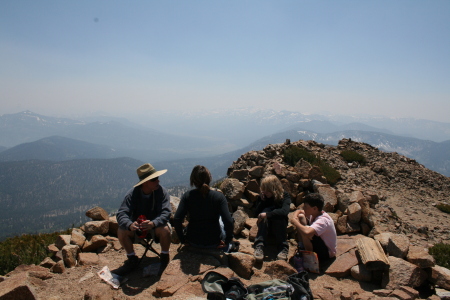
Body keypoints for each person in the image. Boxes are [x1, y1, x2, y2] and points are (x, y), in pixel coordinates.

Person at [114, 163, 172, 276]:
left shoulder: (161, 192)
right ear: (146, 182)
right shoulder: (132, 194)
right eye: (154, 179)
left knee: (165, 229)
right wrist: (130, 225)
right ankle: (132, 259)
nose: (158, 181)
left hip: (154, 228)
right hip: (138, 229)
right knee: (122, 231)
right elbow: (121, 214)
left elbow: (166, 212)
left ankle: (164, 257)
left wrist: (153, 223)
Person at [174, 165, 234, 250]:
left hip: (193, 241)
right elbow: (228, 221)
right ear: (209, 178)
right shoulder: (219, 197)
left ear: (193, 180)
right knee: (221, 221)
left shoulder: (187, 196)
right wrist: (227, 240)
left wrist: (183, 240)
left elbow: (177, 218)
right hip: (214, 242)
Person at [253, 175, 291, 262]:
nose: (264, 192)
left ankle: (283, 248)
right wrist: (262, 202)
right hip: (265, 226)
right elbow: (256, 214)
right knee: (264, 215)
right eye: (263, 189)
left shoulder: (285, 196)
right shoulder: (263, 197)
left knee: (279, 217)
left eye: (267, 190)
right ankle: (259, 246)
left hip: (278, 225)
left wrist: (267, 214)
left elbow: (284, 212)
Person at [290, 193, 337, 263]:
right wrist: (295, 217)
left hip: (326, 252)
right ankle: (302, 246)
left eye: (306, 207)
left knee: (306, 233)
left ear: (315, 208)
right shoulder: (315, 213)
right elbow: (299, 211)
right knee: (301, 217)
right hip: (320, 243)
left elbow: (307, 232)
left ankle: (310, 258)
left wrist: (295, 222)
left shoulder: (323, 220)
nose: (304, 208)